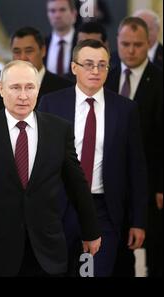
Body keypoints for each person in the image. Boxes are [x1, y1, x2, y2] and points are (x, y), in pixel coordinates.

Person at [0, 60, 101, 277]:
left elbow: (77, 186)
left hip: (47, 251)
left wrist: (91, 231)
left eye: (29, 87)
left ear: (38, 88)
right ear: (1, 89)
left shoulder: (59, 130)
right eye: (15, 87)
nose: (23, 95)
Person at [39, 39, 148, 277]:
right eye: (88, 64)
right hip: (60, 207)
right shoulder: (50, 104)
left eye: (102, 65)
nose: (95, 71)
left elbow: (136, 168)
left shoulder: (125, 109)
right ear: (74, 67)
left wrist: (139, 220)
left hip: (103, 210)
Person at [105, 17, 163, 277]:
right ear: (116, 42)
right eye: (125, 43)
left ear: (149, 43)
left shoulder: (160, 80)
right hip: (111, 184)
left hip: (150, 183)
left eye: (137, 45)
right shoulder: (106, 77)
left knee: (156, 252)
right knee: (116, 253)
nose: (130, 50)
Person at [0, 26, 73, 111]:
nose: (22, 58)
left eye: (29, 51)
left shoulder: (64, 88)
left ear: (43, 51)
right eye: (17, 52)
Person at [44, 0, 78, 76]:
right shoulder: (42, 44)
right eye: (52, 11)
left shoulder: (82, 43)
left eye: (62, 10)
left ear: (74, 13)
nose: (57, 15)